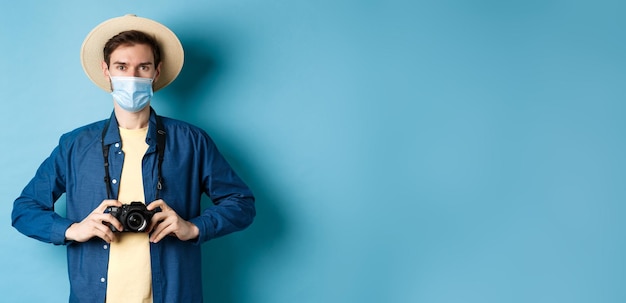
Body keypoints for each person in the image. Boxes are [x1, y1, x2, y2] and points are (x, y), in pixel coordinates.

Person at [11, 14, 255, 303]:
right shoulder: (75, 145)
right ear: (107, 71)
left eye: (143, 67)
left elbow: (241, 204)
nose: (132, 77)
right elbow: (24, 210)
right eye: (122, 67)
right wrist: (73, 229)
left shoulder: (191, 141)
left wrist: (193, 228)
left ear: (156, 72)